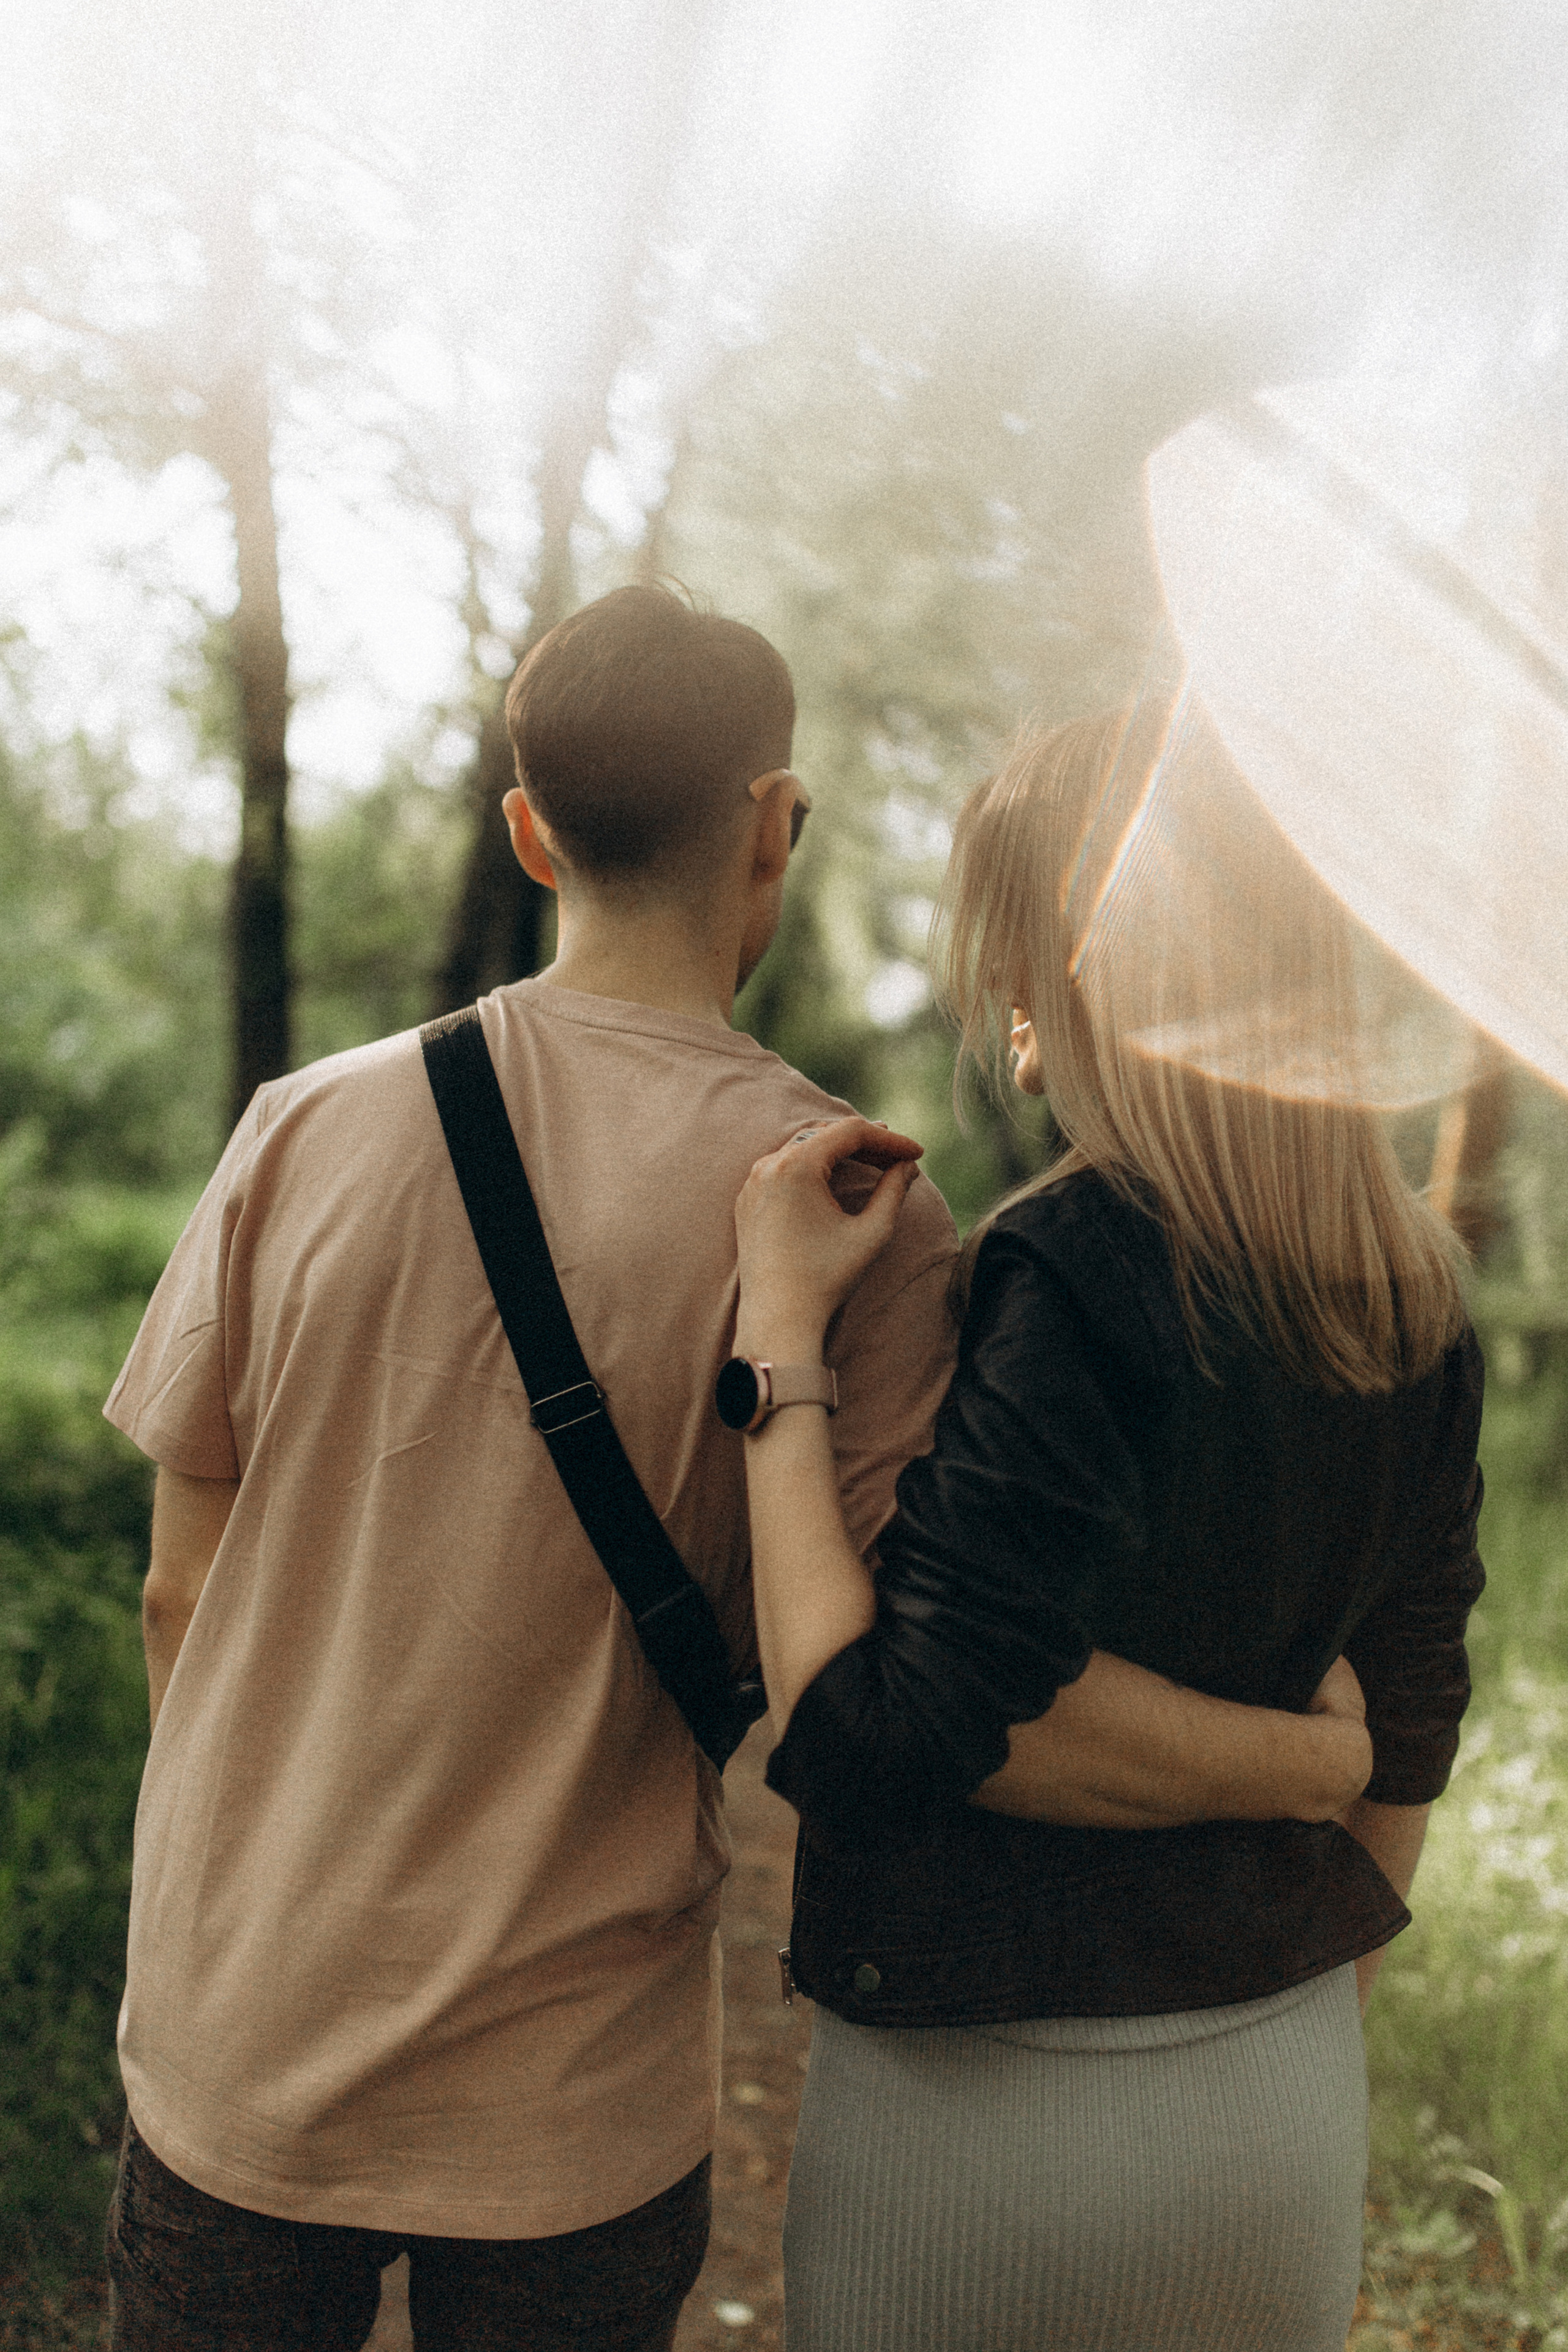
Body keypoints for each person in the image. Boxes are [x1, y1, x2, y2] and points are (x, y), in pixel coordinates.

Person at [103, 604, 1372, 2352]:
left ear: (530, 832)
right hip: (569, 2101)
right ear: (776, 821)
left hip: (229, 2036)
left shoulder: (300, 1129)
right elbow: (896, 1680)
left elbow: (182, 1588)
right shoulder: (859, 1209)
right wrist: (1320, 1757)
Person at [728, 709, 1486, 2352]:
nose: (1003, 1012)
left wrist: (778, 1347)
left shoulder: (1073, 1267)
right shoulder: (1420, 1296)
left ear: (1076, 972)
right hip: (1282, 2100)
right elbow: (1409, 1719)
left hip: (992, 2121)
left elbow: (875, 1735)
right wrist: (1279, 2023)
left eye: (1010, 960)